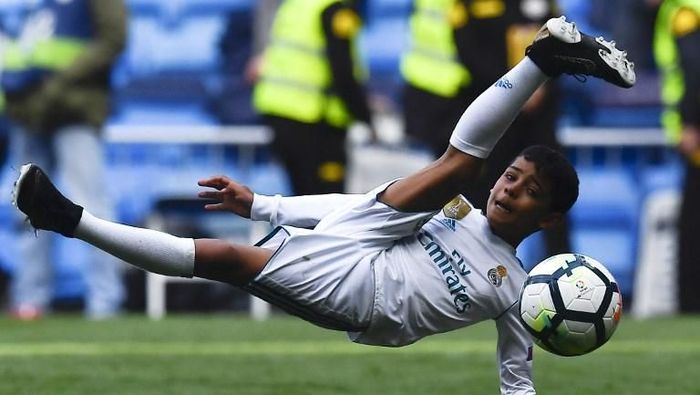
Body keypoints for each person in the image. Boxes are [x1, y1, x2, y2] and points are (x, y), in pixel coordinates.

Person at [13, 17, 634, 393]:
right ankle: (540, 61)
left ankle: (70, 219)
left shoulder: (518, 290)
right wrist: (265, 205)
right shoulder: (462, 210)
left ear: (549, 220)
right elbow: (352, 209)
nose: (510, 188)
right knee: (455, 173)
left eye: (529, 191)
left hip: (371, 298)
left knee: (230, 261)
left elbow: (516, 377)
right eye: (514, 175)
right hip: (367, 243)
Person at [1, 0, 127, 319]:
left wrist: (59, 83)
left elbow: (114, 39)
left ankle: (105, 302)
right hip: (27, 110)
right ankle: (30, 300)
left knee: (91, 207)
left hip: (75, 109)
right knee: (24, 206)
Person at [252, 0, 373, 195]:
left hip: (280, 113)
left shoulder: (296, 5)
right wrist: (366, 118)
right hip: (314, 121)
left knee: (302, 201)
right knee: (327, 204)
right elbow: (343, 74)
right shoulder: (334, 10)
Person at [653, 0, 700, 312]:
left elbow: (694, 66)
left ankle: (691, 301)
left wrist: (690, 122)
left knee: (693, 222)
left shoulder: (683, 11)